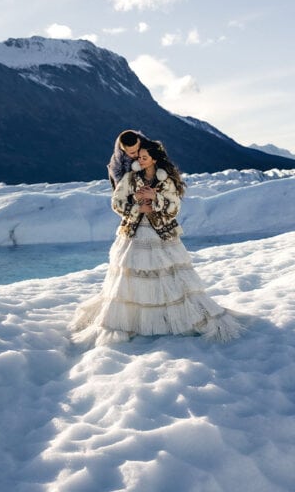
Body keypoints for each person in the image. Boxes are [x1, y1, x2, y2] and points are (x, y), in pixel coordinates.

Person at [72, 138, 243, 346]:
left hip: (160, 235)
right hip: (133, 234)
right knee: (131, 276)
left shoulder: (166, 181)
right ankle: (134, 321)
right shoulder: (131, 178)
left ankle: (167, 320)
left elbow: (174, 208)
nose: (140, 160)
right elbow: (116, 203)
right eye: (139, 158)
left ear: (154, 159)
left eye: (145, 157)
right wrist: (137, 209)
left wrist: (155, 198)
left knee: (166, 277)